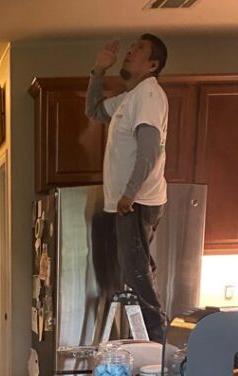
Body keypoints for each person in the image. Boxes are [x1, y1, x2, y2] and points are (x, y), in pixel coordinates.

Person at [86, 34, 169, 340]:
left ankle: (156, 341)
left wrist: (129, 194)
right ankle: (153, 340)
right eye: (131, 48)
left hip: (137, 201)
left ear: (152, 65)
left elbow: (149, 149)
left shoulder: (149, 95)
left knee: (135, 272)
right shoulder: (130, 97)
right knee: (137, 268)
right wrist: (98, 70)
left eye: (139, 49)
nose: (130, 52)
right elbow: (94, 111)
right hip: (131, 201)